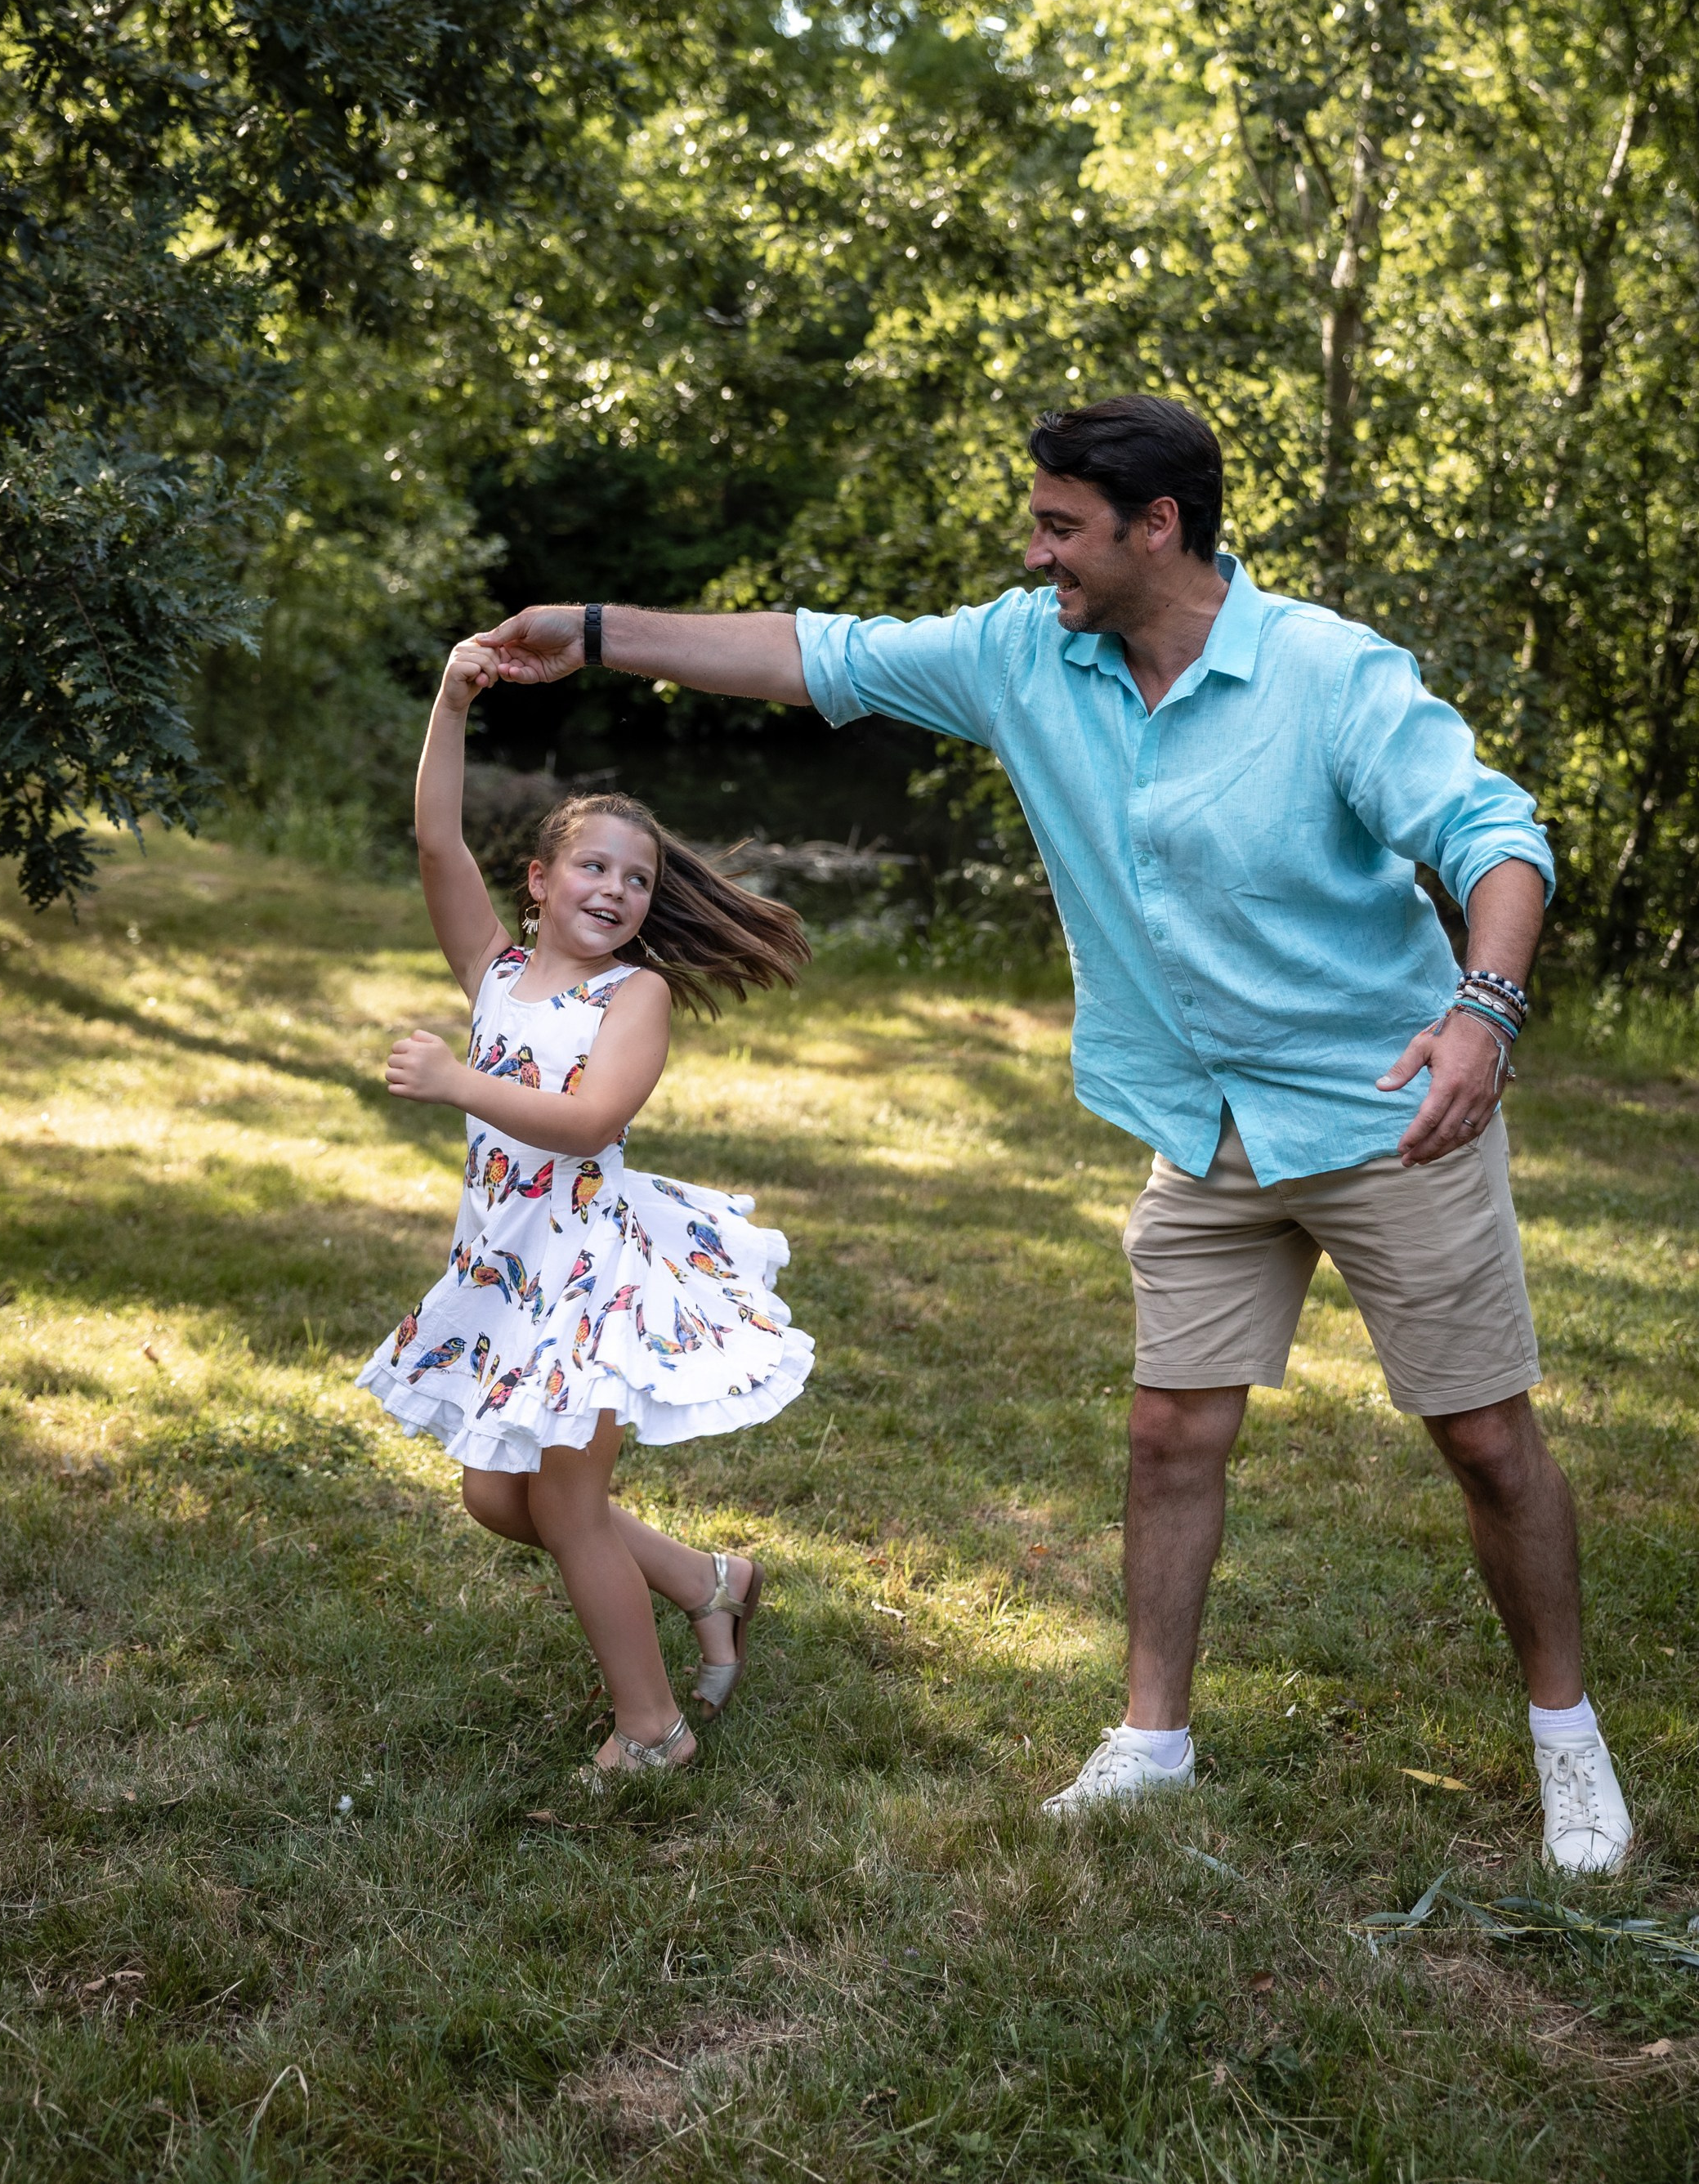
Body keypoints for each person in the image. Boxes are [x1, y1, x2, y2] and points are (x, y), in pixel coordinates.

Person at [479, 396, 1632, 1871]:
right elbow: (807, 650)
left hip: (1384, 1106)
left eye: (1060, 528)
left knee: (1482, 1440)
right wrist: (587, 630)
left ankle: (1566, 1737)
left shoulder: (1325, 673)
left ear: (1157, 529)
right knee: (1167, 1435)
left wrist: (1481, 1009)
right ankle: (1151, 1743)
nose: (1034, 555)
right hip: (1196, 1119)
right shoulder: (1029, 656)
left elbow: (1497, 836)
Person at [358, 633, 815, 1779]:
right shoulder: (495, 972)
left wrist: (460, 1082)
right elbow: (433, 839)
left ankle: (651, 1730)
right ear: (541, 882)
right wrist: (452, 701)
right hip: (499, 1268)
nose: (614, 889)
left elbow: (589, 1121)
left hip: (585, 1276)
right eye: (592, 869)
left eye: (636, 878)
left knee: (564, 1507)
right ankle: (712, 1583)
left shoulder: (636, 994)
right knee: (490, 1494)